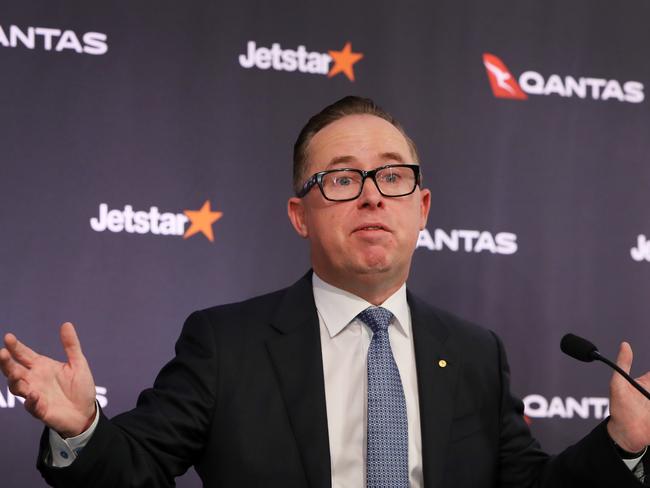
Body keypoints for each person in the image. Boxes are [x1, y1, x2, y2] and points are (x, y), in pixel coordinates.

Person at [1, 96, 649, 487]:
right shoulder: (227, 343)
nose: (371, 194)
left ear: (421, 207)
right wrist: (82, 428)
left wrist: (621, 443)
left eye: (391, 177)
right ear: (299, 213)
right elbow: (136, 471)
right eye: (341, 179)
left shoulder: (475, 352)